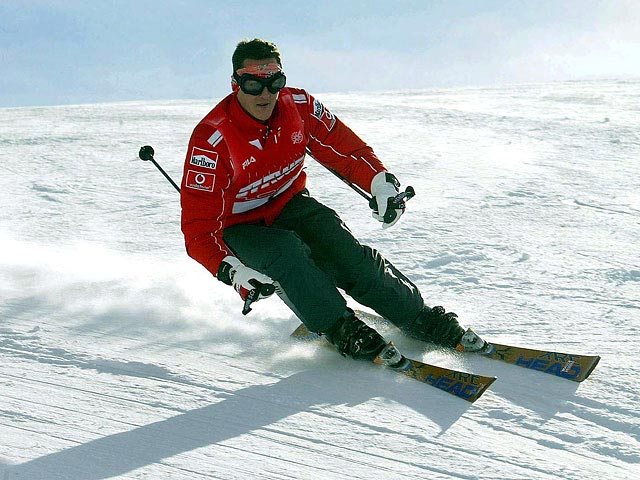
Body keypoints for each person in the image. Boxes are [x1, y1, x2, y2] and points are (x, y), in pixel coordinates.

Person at [180, 38, 487, 365]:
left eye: (274, 82)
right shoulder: (212, 139)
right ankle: (340, 327)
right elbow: (199, 232)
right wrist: (233, 272)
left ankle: (418, 316)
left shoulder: (299, 106)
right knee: (288, 254)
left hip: (290, 203)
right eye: (253, 84)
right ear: (236, 83)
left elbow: (347, 150)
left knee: (345, 253)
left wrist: (380, 184)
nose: (265, 93)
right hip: (239, 226)